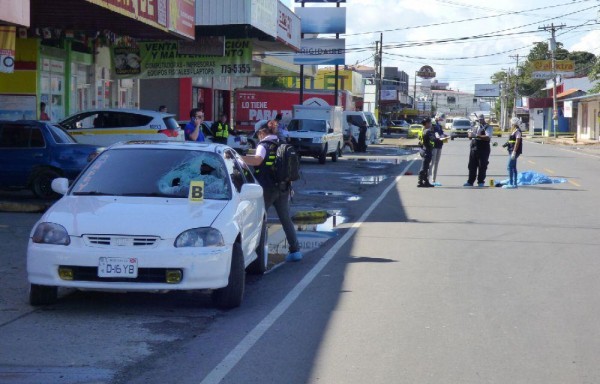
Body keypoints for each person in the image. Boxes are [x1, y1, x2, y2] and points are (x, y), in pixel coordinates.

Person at [241, 125, 302, 262]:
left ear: (262, 132)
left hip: (267, 189)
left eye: (258, 134)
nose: (257, 137)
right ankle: (295, 250)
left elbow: (257, 160)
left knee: (259, 219)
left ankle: (257, 252)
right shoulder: (281, 143)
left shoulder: (263, 145)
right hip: (283, 187)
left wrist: (240, 158)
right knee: (285, 219)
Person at [464, 114, 493, 187]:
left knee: (482, 165)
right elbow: (470, 136)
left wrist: (476, 135)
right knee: (471, 165)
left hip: (483, 148)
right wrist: (469, 135)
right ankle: (470, 181)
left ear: (483, 119)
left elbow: (487, 137)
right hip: (474, 147)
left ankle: (481, 181)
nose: (479, 121)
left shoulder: (488, 127)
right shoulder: (474, 127)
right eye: (478, 120)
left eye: (481, 120)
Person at [503, 117, 523, 189]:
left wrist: (514, 152)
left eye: (511, 123)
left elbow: (517, 142)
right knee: (513, 167)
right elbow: (511, 140)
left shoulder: (517, 131)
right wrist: (506, 144)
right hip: (511, 150)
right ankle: (514, 183)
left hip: (514, 151)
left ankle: (511, 183)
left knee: (509, 167)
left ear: (514, 123)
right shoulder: (513, 131)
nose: (511, 124)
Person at [417, 117, 437, 188]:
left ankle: (425, 181)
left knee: (426, 166)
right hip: (427, 150)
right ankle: (420, 182)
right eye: (430, 123)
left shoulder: (421, 130)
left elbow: (420, 140)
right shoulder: (428, 131)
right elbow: (433, 139)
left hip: (422, 149)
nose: (431, 124)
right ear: (427, 123)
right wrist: (437, 137)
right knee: (424, 167)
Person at [429, 114, 448, 186]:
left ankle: (434, 180)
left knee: (436, 163)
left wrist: (445, 136)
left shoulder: (439, 125)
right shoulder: (432, 123)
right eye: (440, 117)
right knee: (432, 163)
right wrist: (438, 136)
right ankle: (428, 179)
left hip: (440, 145)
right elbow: (432, 133)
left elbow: (441, 133)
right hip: (434, 145)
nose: (441, 119)